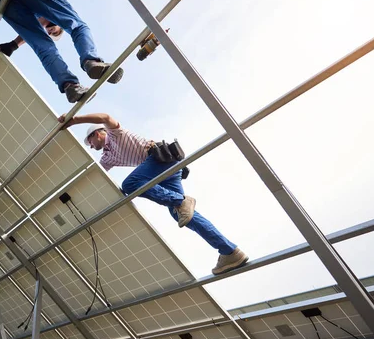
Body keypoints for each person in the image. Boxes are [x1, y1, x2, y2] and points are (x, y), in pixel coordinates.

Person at [58, 112, 248, 275]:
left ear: (98, 133)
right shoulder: (107, 156)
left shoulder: (115, 134)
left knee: (131, 183)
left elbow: (105, 117)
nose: (90, 146)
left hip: (161, 159)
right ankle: (230, 252)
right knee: (180, 214)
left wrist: (74, 120)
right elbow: (96, 175)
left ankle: (180, 201)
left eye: (89, 141)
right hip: (161, 172)